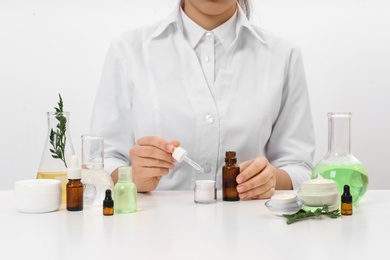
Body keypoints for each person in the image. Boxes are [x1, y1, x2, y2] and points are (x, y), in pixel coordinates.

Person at [91, 0, 315, 200]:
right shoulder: (129, 51)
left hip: (251, 234)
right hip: (153, 236)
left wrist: (272, 179)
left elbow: (299, 167)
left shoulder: (283, 56)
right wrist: (132, 178)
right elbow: (100, 160)